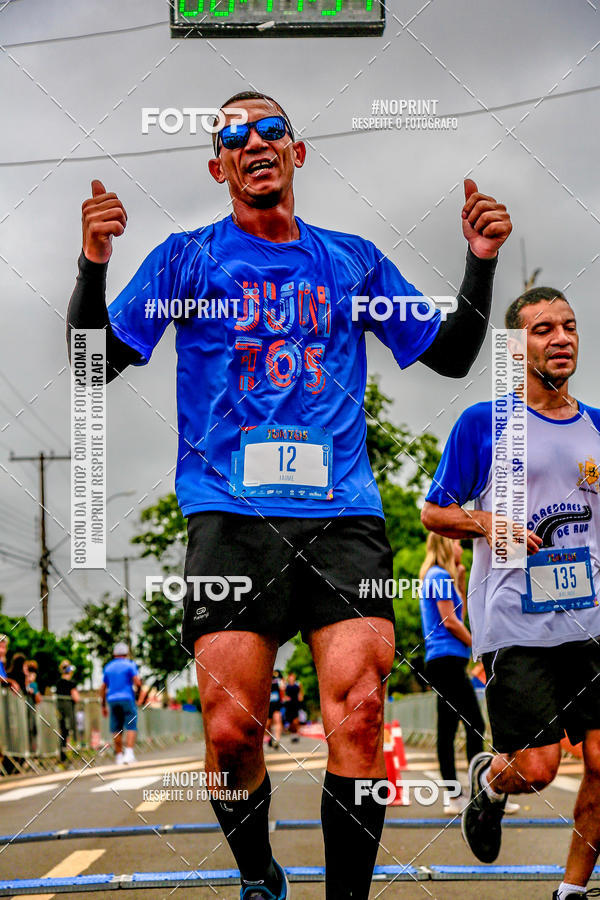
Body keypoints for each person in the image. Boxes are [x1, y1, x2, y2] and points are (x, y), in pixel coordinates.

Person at [67, 89, 512, 900]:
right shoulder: (185, 259)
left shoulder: (354, 261)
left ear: (297, 153)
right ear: (220, 166)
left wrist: (480, 260)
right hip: (229, 516)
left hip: (343, 513)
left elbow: (449, 355)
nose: (256, 142)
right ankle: (258, 873)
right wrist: (93, 266)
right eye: (235, 136)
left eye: (272, 129)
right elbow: (91, 364)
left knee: (365, 715)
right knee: (232, 734)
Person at [421, 286, 600, 900]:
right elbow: (434, 513)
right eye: (544, 329)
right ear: (515, 345)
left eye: (569, 327)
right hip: (518, 625)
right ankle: (493, 783)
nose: (561, 338)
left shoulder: (597, 426)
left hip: (593, 624)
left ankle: (571, 890)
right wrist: (487, 522)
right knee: (539, 769)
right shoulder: (485, 423)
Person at [418, 534, 519, 817]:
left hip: (446, 660)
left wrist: (460, 576)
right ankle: (481, 791)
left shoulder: (443, 576)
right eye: (457, 543)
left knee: (450, 729)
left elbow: (458, 613)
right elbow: (450, 621)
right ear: (445, 545)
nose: (461, 547)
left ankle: (464, 794)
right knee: (474, 724)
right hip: (445, 660)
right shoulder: (438, 576)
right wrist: (479, 645)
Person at [100, 642, 141, 765]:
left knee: (116, 728)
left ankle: (118, 755)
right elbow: (137, 682)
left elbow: (103, 688)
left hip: (112, 700)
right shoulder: (130, 665)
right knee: (131, 725)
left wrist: (103, 705)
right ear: (126, 653)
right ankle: (129, 753)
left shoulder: (108, 667)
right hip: (127, 698)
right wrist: (138, 694)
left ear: (114, 654)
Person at [56, 660, 80, 764]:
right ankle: (71, 755)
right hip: (69, 710)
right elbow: (76, 697)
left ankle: (63, 756)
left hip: (60, 710)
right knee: (71, 731)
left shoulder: (58, 683)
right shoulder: (71, 683)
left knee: (62, 733)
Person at [266, 670, 284, 749]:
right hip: (267, 705)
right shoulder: (265, 678)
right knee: (267, 724)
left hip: (276, 704)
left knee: (277, 719)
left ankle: (277, 739)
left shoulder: (279, 679)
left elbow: (283, 689)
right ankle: (270, 738)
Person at [284, 672, 303, 743]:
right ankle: (292, 735)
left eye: (293, 677)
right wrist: (285, 698)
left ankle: (296, 735)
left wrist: (300, 697)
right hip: (289, 705)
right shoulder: (286, 685)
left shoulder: (298, 684)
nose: (291, 678)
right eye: (290, 677)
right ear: (288, 678)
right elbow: (283, 694)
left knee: (296, 721)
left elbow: (301, 693)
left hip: (296, 704)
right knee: (290, 722)